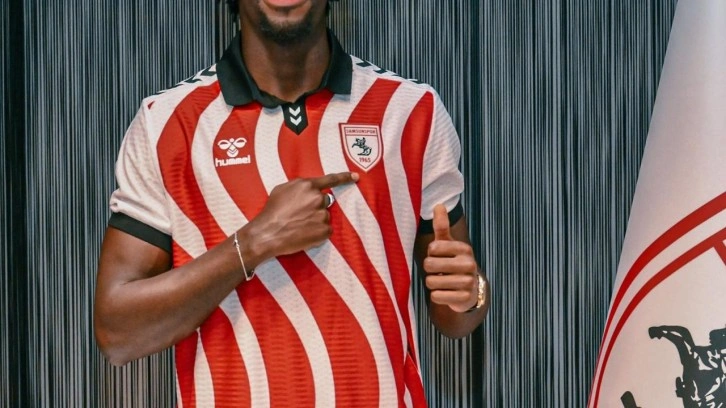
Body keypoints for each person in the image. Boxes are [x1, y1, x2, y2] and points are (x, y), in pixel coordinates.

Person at [94, 0, 490, 406]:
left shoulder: (410, 111)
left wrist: (471, 292)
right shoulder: (167, 123)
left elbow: (457, 316)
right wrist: (254, 243)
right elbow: (117, 334)